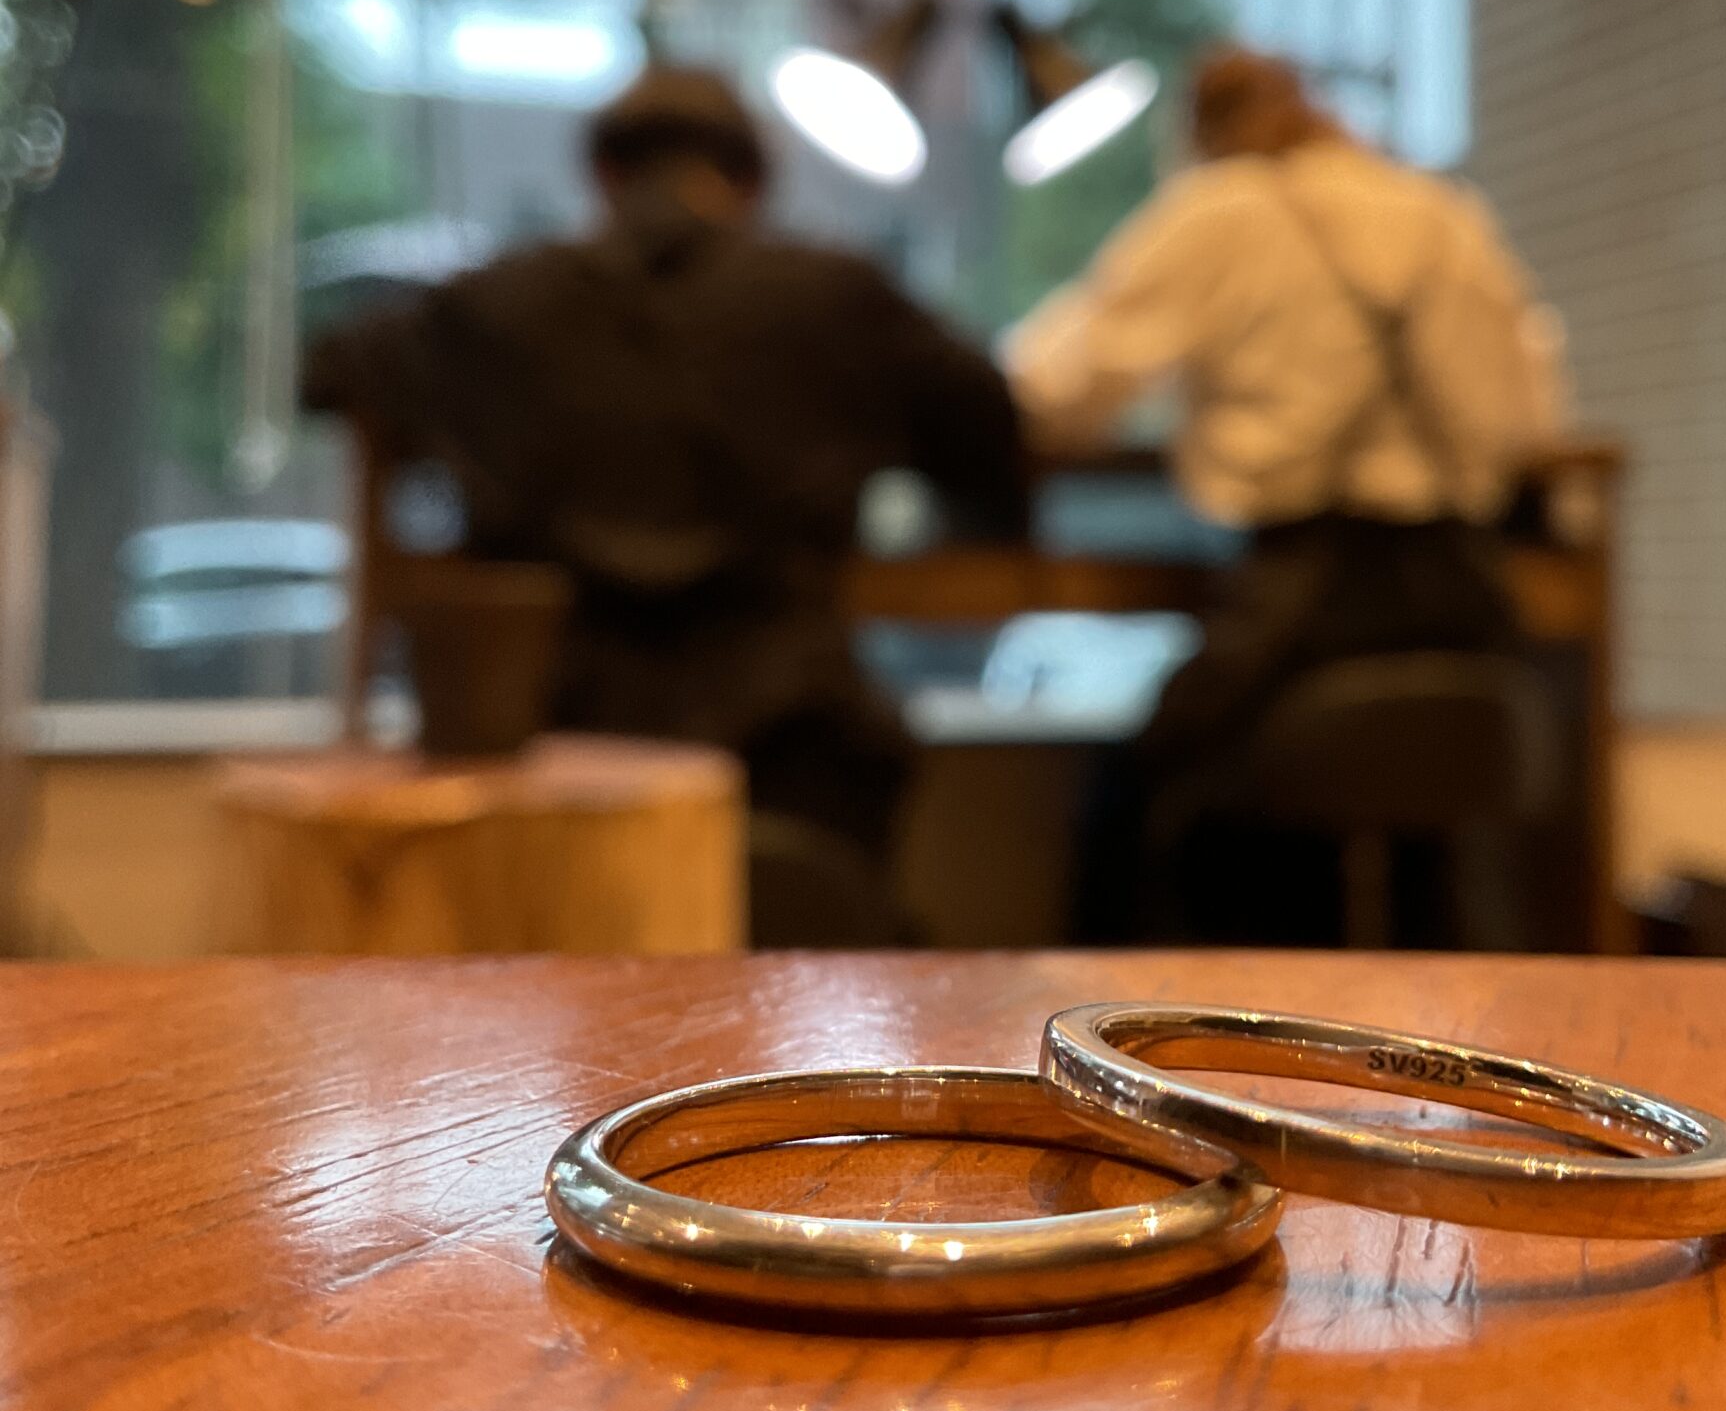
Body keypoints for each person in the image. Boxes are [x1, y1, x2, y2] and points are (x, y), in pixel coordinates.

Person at [304, 66, 1029, 943]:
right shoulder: (837, 298)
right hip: (796, 749)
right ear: (752, 183)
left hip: (560, 750)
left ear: (603, 175)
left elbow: (329, 372)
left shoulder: (493, 307)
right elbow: (992, 432)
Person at [1005, 46, 1566, 945]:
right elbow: (1531, 419)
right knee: (1435, 847)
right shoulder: (1444, 216)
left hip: (1305, 609)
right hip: (1464, 608)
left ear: (1203, 132)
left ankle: (1154, 1015)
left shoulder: (1222, 210)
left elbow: (1053, 386)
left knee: (1137, 793)